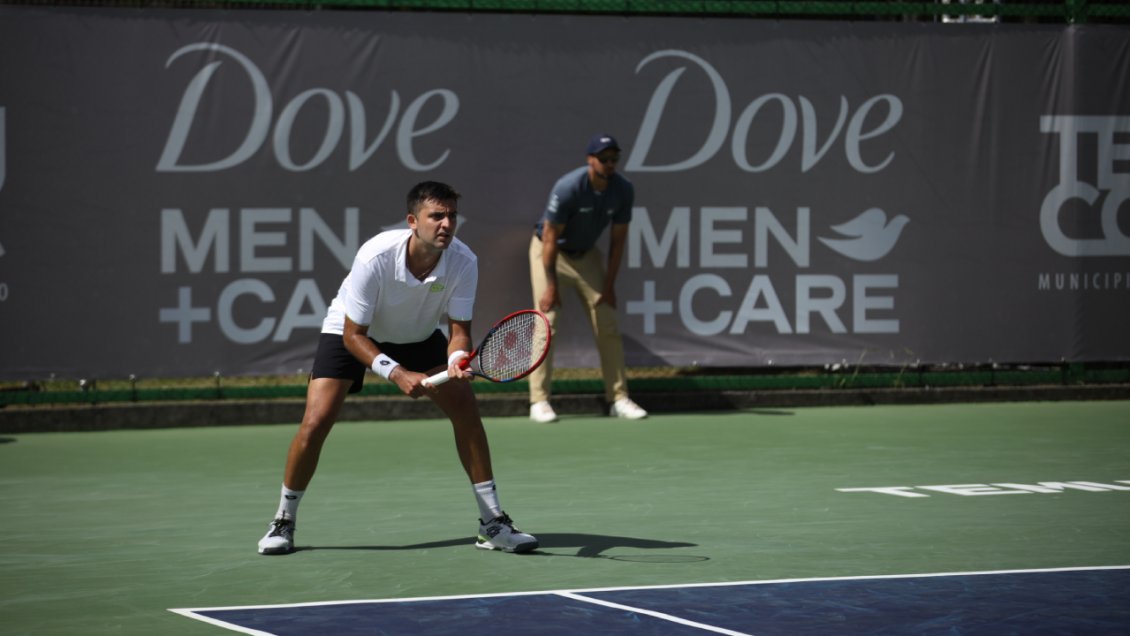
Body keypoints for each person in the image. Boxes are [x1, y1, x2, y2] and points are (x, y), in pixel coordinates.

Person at [258, 181, 537, 556]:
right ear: (412, 221)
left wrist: (456, 360)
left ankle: (492, 523)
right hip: (353, 331)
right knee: (316, 420)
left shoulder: (463, 261)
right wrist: (397, 372)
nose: (446, 224)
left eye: (452, 216)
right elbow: (353, 336)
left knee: (466, 409)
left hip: (418, 334)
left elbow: (459, 332)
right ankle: (283, 520)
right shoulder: (375, 257)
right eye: (436, 216)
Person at [528, 133, 649, 423]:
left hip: (587, 257)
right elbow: (550, 238)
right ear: (590, 160)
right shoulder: (568, 187)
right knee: (547, 323)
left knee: (607, 321)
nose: (609, 164)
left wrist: (609, 286)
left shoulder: (623, 190)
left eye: (614, 159)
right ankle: (539, 401)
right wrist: (551, 286)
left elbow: (618, 241)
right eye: (603, 158)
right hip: (550, 253)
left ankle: (618, 398)